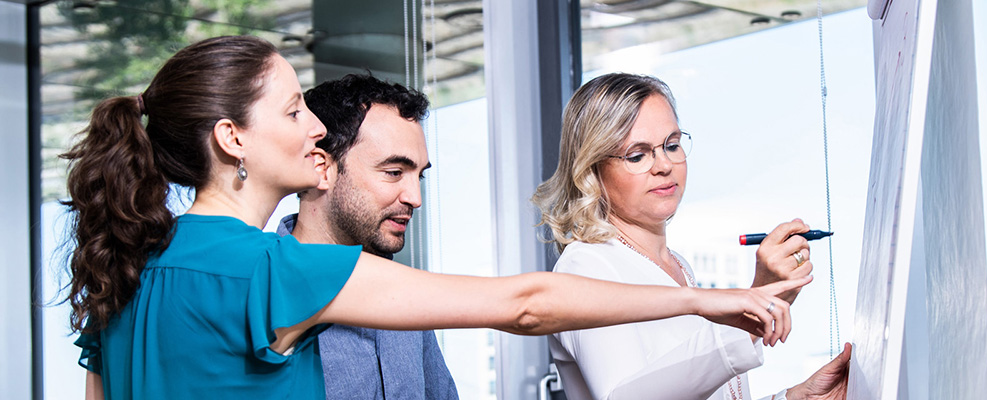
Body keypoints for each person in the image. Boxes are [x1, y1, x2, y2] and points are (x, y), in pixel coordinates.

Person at [62, 36, 806, 400]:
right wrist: (707, 298)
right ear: (233, 140)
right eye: (293, 110)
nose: (314, 127)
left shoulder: (126, 270)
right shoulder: (272, 269)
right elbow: (524, 303)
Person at [532, 72, 852, 400]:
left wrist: (796, 398)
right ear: (592, 169)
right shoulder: (587, 266)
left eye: (671, 145)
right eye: (638, 155)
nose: (664, 165)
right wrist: (749, 314)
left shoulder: (678, 267)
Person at [272, 74, 455, 399]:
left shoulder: (405, 295)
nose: (415, 197)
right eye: (394, 172)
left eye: (419, 176)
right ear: (322, 168)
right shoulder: (263, 293)